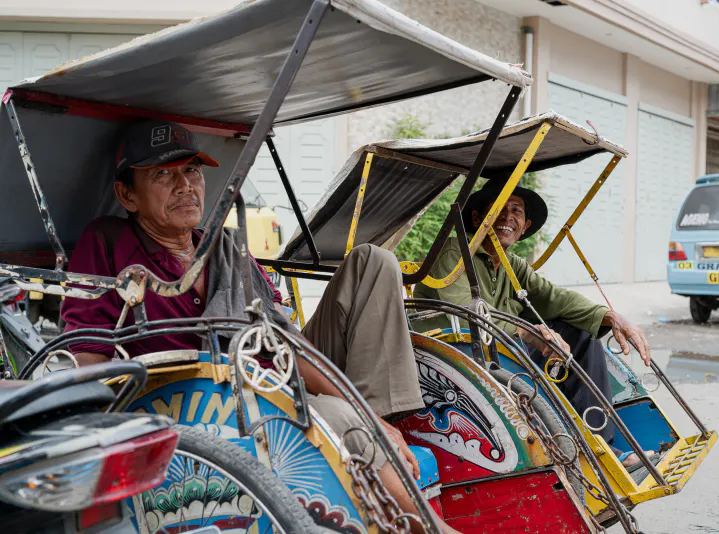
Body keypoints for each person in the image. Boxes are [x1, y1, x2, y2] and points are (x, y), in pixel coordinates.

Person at [61, 120, 459, 534]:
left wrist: (366, 414)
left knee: (373, 261)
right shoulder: (107, 241)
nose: (185, 186)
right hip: (195, 401)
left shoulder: (226, 247)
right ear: (127, 194)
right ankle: (427, 526)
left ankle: (376, 422)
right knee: (337, 414)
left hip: (267, 370)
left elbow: (284, 338)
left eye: (192, 171)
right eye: (163, 174)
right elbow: (89, 352)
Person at [413, 180, 654, 471]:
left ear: (525, 226)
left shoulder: (513, 264)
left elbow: (556, 298)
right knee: (544, 344)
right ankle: (574, 449)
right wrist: (527, 332)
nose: (507, 217)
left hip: (503, 354)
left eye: (516, 211)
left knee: (581, 337)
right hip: (459, 356)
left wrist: (611, 316)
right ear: (477, 218)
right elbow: (466, 312)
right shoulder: (454, 251)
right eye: (498, 209)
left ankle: (601, 447)